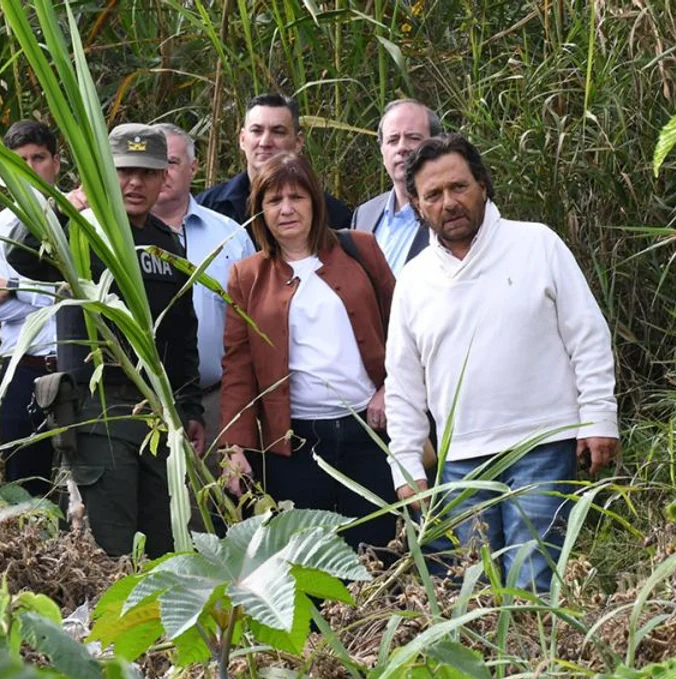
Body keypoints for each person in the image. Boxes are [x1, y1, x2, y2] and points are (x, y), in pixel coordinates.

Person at [385, 134, 620, 593]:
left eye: (459, 187)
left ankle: (540, 667)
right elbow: (404, 383)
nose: (449, 203)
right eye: (433, 195)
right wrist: (406, 463)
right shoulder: (413, 281)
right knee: (470, 589)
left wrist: (599, 419)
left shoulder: (537, 244)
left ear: (483, 185)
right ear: (416, 205)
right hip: (459, 462)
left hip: (542, 447)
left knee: (532, 580)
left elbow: (587, 336)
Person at [7, 123, 203, 558]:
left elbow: (181, 334)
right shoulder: (81, 233)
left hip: (156, 416)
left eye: (147, 173)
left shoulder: (166, 244)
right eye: (123, 171)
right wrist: (66, 208)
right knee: (107, 550)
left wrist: (189, 409)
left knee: (164, 547)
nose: (135, 183)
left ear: (163, 179)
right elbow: (20, 256)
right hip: (97, 416)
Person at [218, 152, 398, 550]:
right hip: (294, 443)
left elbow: (403, 327)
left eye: (296, 197)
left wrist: (391, 387)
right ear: (260, 211)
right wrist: (234, 444)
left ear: (315, 201)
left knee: (377, 549)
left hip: (368, 435)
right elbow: (238, 366)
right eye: (273, 201)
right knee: (304, 557)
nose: (286, 209)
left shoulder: (360, 249)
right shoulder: (246, 276)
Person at [150, 123, 253, 450]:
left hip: (215, 406)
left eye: (170, 162)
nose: (161, 173)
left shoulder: (231, 236)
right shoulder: (112, 238)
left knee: (212, 500)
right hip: (137, 407)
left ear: (193, 167)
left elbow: (253, 325)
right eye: (152, 164)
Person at [0, 119, 62, 496]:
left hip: (79, 366)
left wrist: (12, 287)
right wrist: (49, 294)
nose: (30, 168)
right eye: (20, 160)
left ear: (56, 163)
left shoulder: (82, 222)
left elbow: (80, 295)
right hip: (23, 368)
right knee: (26, 484)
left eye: (38, 158)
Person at [196, 93, 353, 232]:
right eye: (257, 131)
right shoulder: (205, 209)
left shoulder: (332, 215)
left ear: (298, 142)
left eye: (278, 132)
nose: (265, 142)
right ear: (242, 140)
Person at [351, 99, 443, 274]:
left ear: (436, 145)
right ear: (382, 150)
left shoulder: (449, 211)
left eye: (413, 138)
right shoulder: (364, 215)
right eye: (393, 140)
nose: (402, 147)